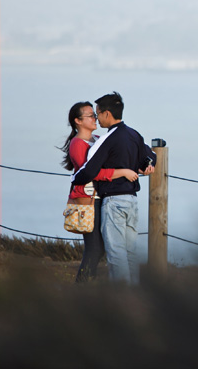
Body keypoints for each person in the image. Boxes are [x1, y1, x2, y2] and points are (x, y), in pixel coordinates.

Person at [73, 92, 155, 283]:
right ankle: (134, 293)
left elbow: (89, 170)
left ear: (107, 114)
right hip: (132, 200)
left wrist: (76, 178)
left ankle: (121, 295)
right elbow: (150, 154)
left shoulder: (106, 139)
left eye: (98, 114)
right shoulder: (134, 134)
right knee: (130, 252)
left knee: (116, 252)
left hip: (113, 201)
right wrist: (149, 165)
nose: (97, 118)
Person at [60, 101, 138, 283]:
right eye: (90, 115)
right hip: (88, 200)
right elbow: (90, 173)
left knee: (102, 247)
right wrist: (123, 172)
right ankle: (82, 287)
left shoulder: (96, 139)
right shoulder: (77, 144)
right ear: (78, 121)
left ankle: (88, 286)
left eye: (94, 114)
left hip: (100, 197)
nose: (95, 118)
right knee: (95, 248)